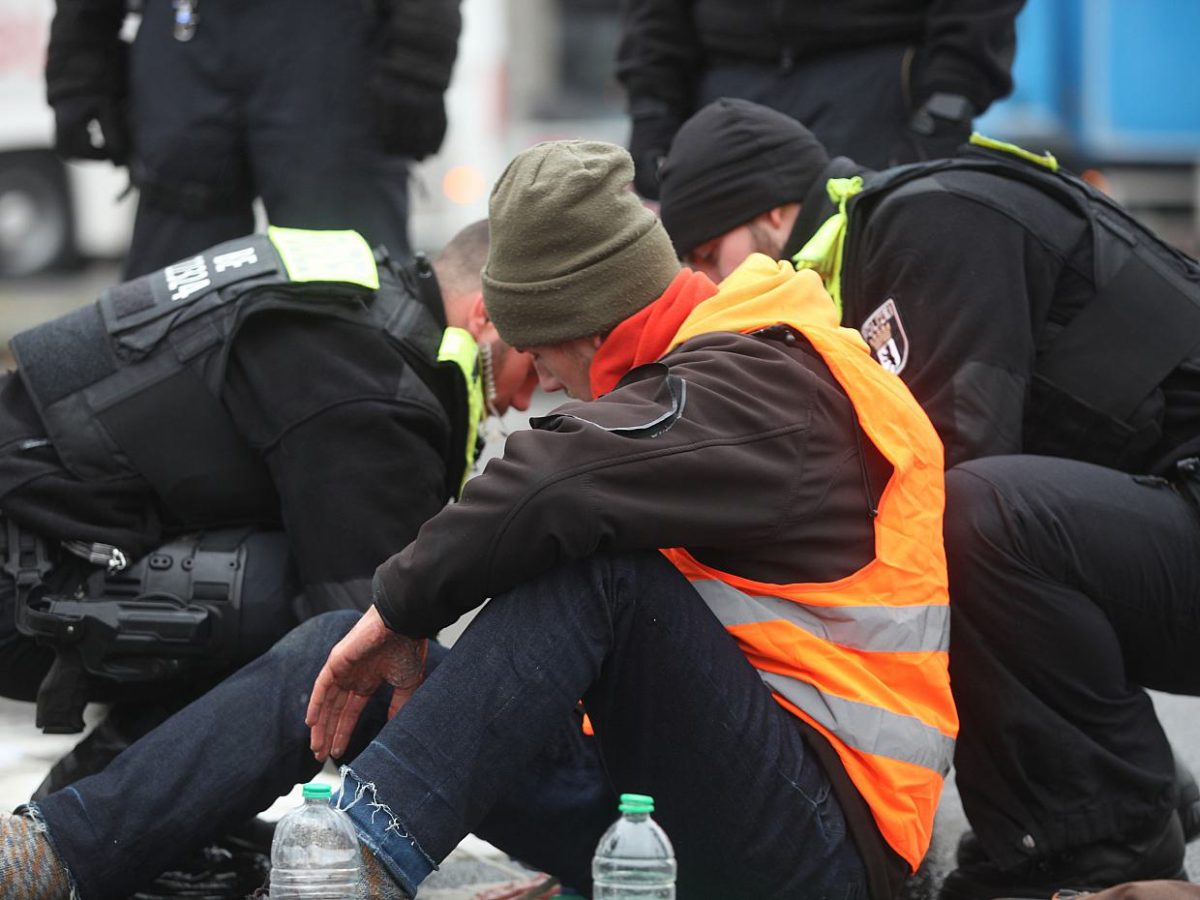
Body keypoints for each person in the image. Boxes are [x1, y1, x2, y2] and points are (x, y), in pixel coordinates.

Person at [1, 140, 956, 900]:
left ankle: (360, 865)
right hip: (690, 805)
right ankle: (55, 857)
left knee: (593, 572)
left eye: (543, 359)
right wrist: (379, 634)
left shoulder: (761, 377)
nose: (538, 390)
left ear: (590, 325)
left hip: (823, 848)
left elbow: (559, 481)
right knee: (341, 651)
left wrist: (402, 609)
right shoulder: (699, 384)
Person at [654, 97, 1200, 896]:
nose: (704, 283)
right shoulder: (863, 268)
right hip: (1168, 529)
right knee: (978, 525)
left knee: (965, 522)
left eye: (709, 252)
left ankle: (1103, 852)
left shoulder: (926, 225)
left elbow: (940, 486)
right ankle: (1089, 814)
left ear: (775, 211)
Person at [0, 221, 536, 799]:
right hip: (25, 590)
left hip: (43, 540)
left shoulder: (351, 296)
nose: (528, 398)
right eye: (531, 366)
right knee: (326, 628)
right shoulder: (369, 385)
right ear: (483, 317)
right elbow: (371, 640)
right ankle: (99, 817)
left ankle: (123, 812)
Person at [45, 0, 461, 278]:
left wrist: (418, 64)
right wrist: (80, 61)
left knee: (347, 277)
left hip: (328, 38)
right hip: (188, 29)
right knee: (173, 289)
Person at [616, 0, 1025, 200]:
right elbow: (655, 15)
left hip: (880, 87)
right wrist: (653, 113)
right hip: (725, 89)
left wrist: (947, 101)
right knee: (728, 306)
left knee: (874, 291)